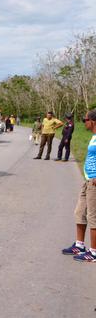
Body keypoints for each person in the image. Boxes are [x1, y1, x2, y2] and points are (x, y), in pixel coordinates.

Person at [62, 109, 96, 261]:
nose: (84, 123)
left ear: (92, 121)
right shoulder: (93, 137)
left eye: (85, 120)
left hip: (94, 183)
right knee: (80, 212)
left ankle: (94, 252)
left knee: (93, 216)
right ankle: (79, 245)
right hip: (87, 180)